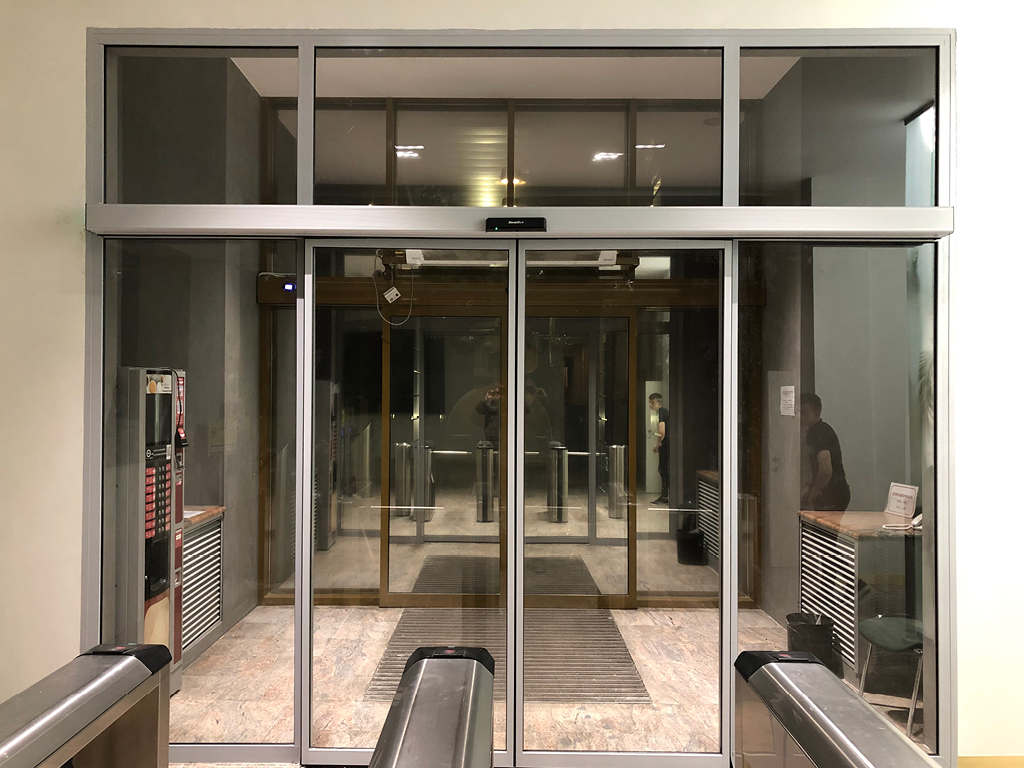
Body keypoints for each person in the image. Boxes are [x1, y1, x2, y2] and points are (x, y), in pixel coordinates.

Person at [800, 393, 851, 511]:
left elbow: (825, 469)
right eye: (798, 412)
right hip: (833, 491)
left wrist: (814, 491)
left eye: (804, 412)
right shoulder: (821, 430)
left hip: (831, 493)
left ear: (816, 413)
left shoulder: (818, 433)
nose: (800, 417)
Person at [649, 393, 669, 504]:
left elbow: (661, 431)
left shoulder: (661, 412)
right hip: (666, 445)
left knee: (663, 469)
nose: (650, 405)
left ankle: (664, 496)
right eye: (650, 402)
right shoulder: (663, 412)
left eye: (652, 402)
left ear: (659, 403)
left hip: (665, 445)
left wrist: (658, 444)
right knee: (663, 469)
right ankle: (665, 495)